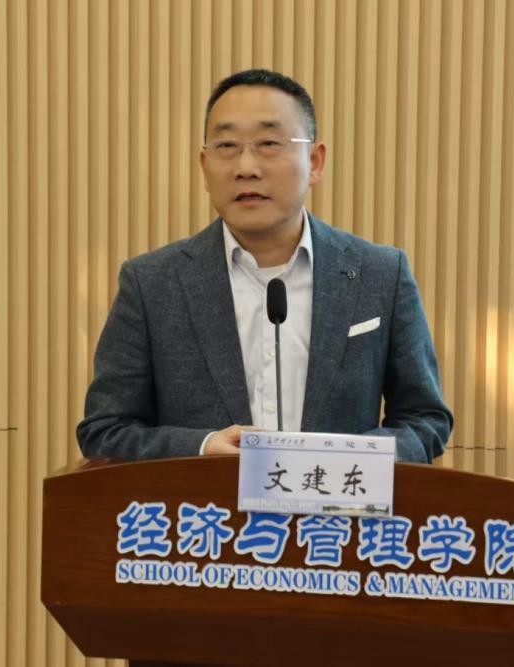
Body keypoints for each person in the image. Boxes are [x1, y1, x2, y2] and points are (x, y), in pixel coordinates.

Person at [76, 69, 452, 462]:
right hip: (205, 503)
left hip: (337, 502)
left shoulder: (381, 274)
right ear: (204, 166)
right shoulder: (151, 283)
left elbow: (425, 420)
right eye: (226, 145)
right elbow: (105, 429)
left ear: (315, 161)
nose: (246, 166)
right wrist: (199, 448)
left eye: (269, 143)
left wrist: (347, 460)